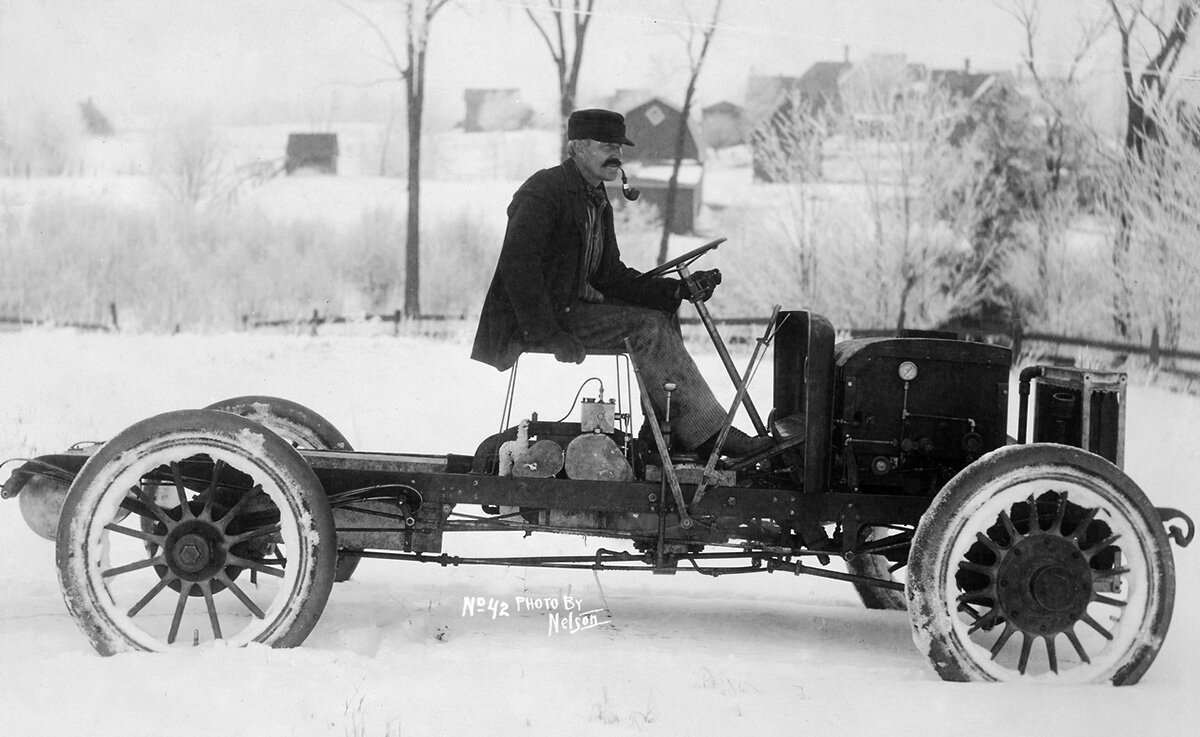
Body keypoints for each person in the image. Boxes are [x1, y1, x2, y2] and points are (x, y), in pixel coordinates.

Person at [471, 109, 771, 458]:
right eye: (606, 146)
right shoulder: (544, 191)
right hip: (542, 319)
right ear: (578, 147)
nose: (617, 155)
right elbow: (517, 269)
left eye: (619, 147)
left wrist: (675, 290)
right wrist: (549, 334)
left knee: (661, 310)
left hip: (572, 310)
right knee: (648, 328)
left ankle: (665, 432)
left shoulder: (596, 199)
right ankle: (708, 435)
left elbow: (610, 275)